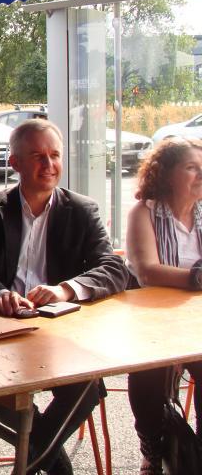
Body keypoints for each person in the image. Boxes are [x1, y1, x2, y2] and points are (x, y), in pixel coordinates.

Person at [0, 119, 129, 475]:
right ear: (15, 163)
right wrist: (0, 293)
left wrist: (64, 289)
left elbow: (114, 270)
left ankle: (32, 461)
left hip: (60, 331)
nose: (48, 165)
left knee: (87, 386)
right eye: (37, 156)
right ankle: (52, 465)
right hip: (1, 328)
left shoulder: (82, 210)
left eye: (54, 155)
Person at [126, 138, 202, 474]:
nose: (201, 174)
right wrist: (198, 278)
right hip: (153, 321)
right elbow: (147, 270)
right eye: (192, 167)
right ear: (167, 173)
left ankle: (197, 452)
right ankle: (153, 448)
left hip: (196, 320)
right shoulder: (144, 212)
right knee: (148, 372)